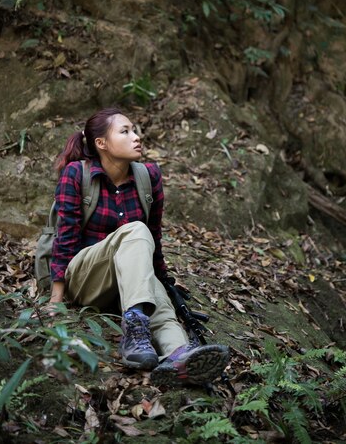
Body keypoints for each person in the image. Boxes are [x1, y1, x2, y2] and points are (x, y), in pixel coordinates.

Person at [48, 107, 229, 386]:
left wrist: (163, 282)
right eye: (125, 131)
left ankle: (179, 357)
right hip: (84, 280)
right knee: (135, 230)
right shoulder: (76, 174)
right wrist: (55, 303)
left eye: (135, 130)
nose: (136, 137)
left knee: (159, 299)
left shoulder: (148, 176)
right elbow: (65, 238)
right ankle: (134, 332)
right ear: (101, 144)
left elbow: (153, 240)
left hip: (125, 286)